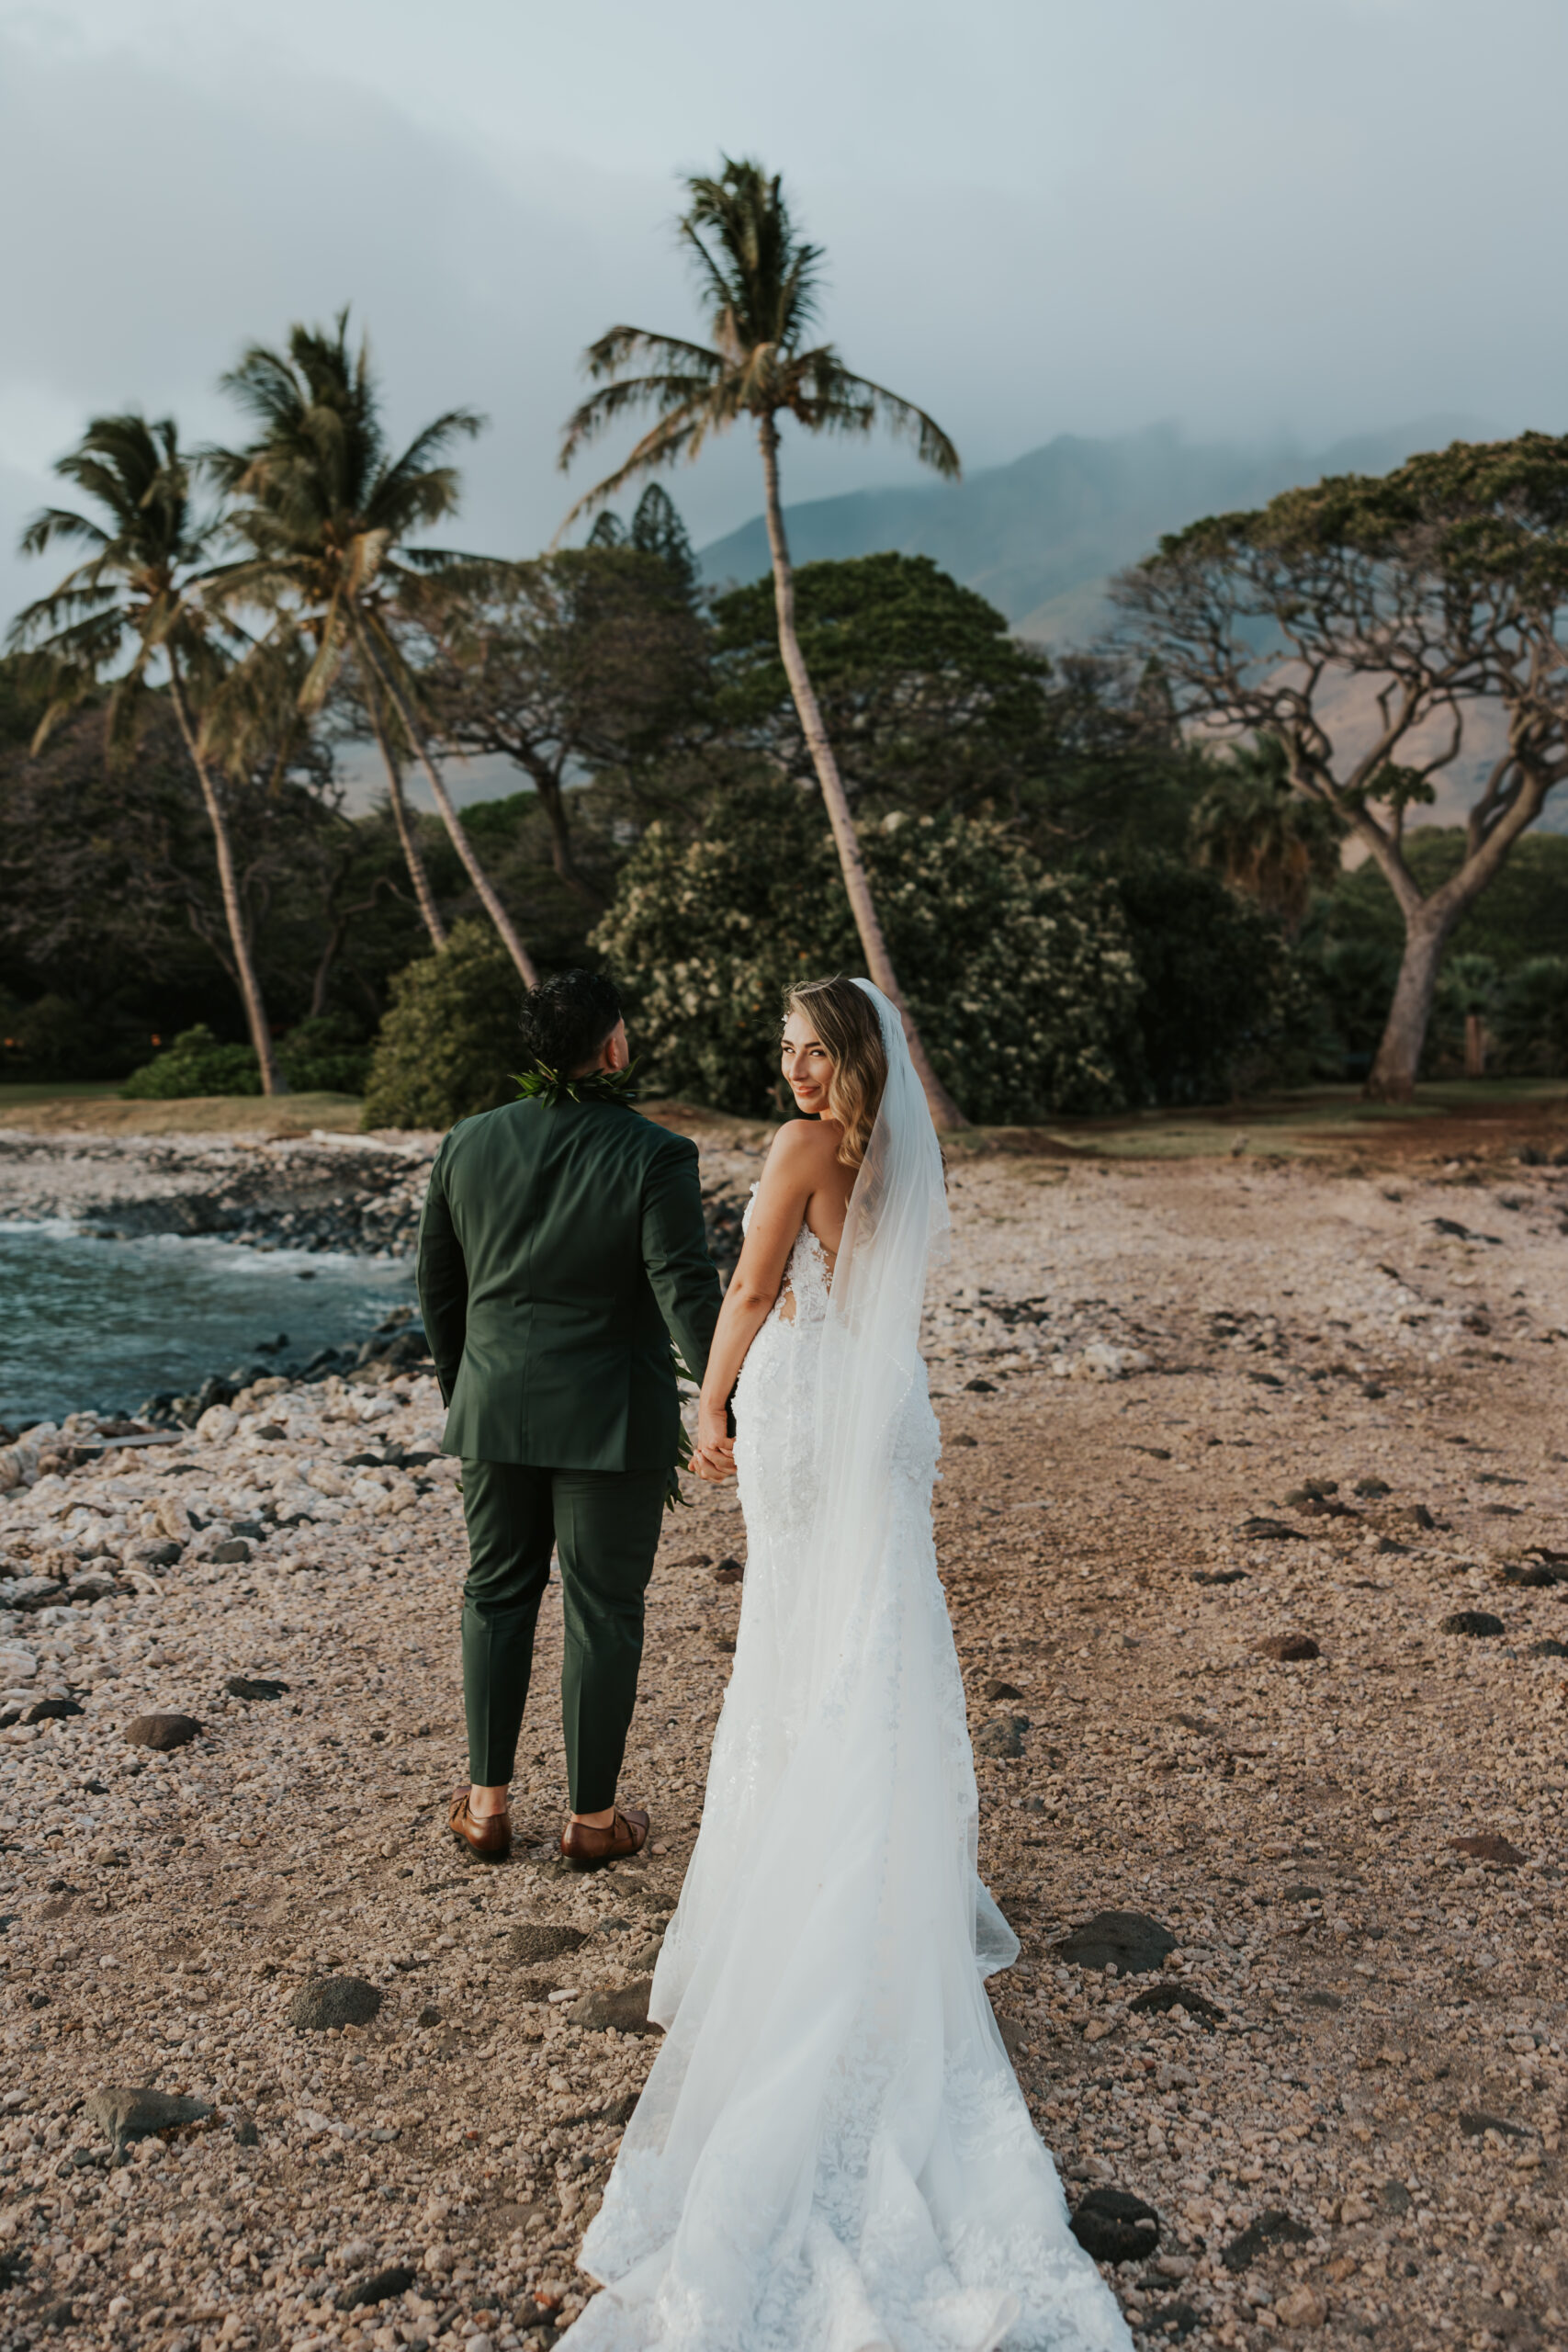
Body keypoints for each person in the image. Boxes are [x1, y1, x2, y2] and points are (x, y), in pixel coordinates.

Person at [572, 977, 1131, 2350]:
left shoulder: (797, 1149)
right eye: (784, 1053)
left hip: (813, 1411)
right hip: (886, 1412)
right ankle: (883, 1880)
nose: (795, 1072)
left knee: (801, 1643)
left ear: (852, 1057)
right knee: (874, 1638)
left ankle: (800, 1896)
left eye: (813, 1052)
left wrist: (704, 1402)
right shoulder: (896, 1154)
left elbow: (757, 1282)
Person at [416, 967, 721, 1869]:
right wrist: (721, 1403)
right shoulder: (655, 1153)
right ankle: (591, 1821)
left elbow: (440, 1290)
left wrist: (465, 1393)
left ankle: (485, 1808)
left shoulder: (465, 1144)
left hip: (493, 1408)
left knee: (496, 1594)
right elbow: (684, 1288)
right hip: (608, 1420)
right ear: (614, 1048)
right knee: (602, 1610)